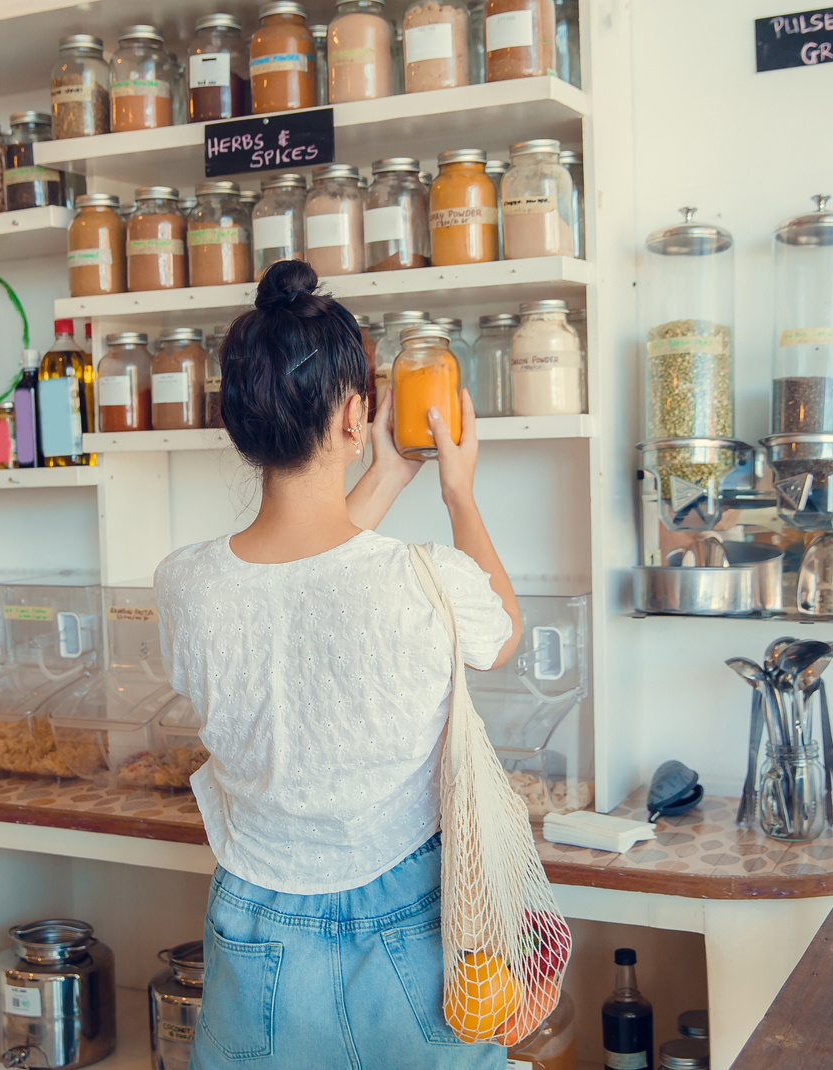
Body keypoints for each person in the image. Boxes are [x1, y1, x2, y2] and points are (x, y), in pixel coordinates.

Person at [155, 260, 522, 1068]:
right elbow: (500, 635)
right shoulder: (420, 578)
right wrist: (457, 491)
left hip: (253, 924)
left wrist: (386, 472)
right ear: (357, 413)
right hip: (411, 926)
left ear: (238, 422)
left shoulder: (184, 584)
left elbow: (301, 577)